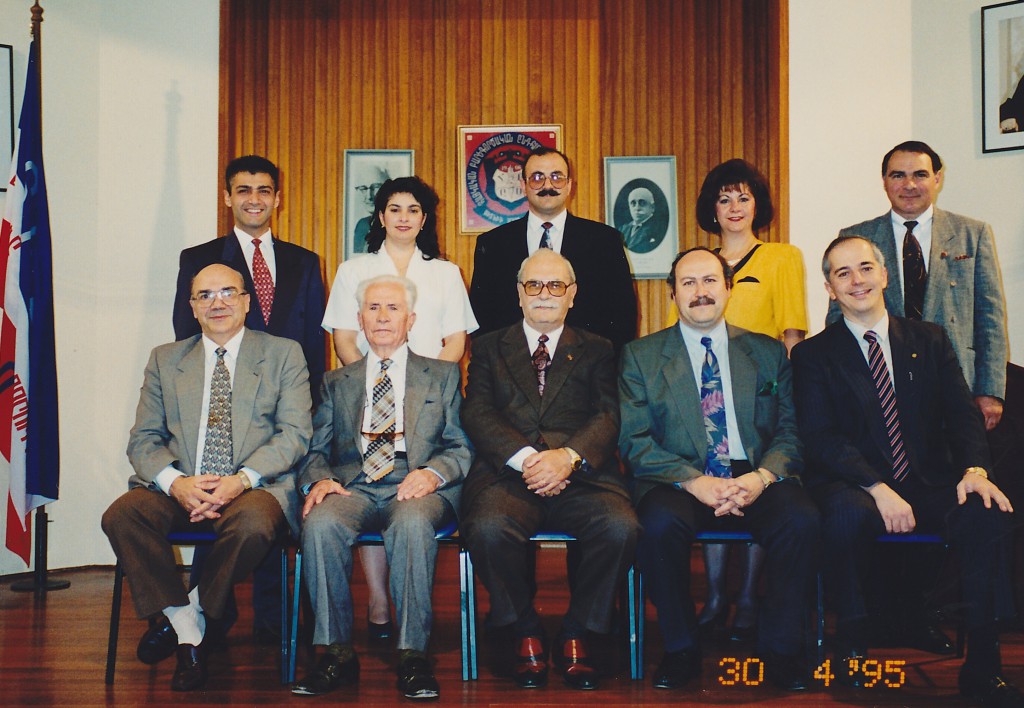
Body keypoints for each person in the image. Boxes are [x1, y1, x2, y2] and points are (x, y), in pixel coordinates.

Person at [792, 236, 1022, 706]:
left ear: (884, 275)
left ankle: (983, 666)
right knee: (845, 517)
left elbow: (962, 416)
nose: (857, 280)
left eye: (864, 268)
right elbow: (820, 438)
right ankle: (852, 648)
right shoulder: (814, 355)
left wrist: (976, 470)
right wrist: (876, 487)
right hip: (852, 481)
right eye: (842, 273)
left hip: (928, 479)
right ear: (830, 290)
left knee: (985, 516)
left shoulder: (930, 339)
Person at [102, 264, 312, 692]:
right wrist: (175, 483)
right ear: (193, 307)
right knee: (123, 516)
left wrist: (240, 479)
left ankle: (187, 618)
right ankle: (189, 625)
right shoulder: (166, 359)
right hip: (182, 482)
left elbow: (294, 434)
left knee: (253, 525)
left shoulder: (283, 353)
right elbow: (143, 439)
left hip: (253, 485)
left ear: (247, 302)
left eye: (228, 293)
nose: (217, 303)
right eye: (205, 295)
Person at [619, 247, 819, 692]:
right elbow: (634, 442)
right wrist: (695, 481)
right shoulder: (641, 357)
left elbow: (790, 432)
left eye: (710, 280)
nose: (700, 292)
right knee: (656, 525)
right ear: (672, 294)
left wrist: (762, 477)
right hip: (678, 477)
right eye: (688, 283)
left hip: (754, 475)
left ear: (729, 288)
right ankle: (681, 647)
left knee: (801, 518)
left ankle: (783, 650)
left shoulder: (768, 353)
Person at [460, 249, 639, 691]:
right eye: (534, 286)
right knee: (485, 527)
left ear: (571, 295)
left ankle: (580, 630)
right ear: (519, 294)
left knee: (621, 528)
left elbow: (608, 415)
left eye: (555, 286)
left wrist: (567, 457)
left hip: (582, 475)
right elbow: (477, 412)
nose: (544, 295)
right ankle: (523, 628)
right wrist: (527, 460)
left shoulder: (598, 348)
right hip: (509, 475)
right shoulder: (487, 347)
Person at [290, 275, 472, 701]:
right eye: (373, 309)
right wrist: (320, 480)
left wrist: (433, 474)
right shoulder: (338, 382)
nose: (383, 317)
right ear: (359, 320)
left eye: (392, 309)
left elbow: (462, 445)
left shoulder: (442, 375)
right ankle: (335, 653)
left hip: (416, 482)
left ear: (410, 319)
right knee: (320, 524)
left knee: (410, 525)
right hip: (352, 485)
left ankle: (413, 656)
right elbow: (313, 449)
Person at [171, 154, 326, 643]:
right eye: (243, 190)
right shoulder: (198, 258)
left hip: (283, 412)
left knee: (271, 514)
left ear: (277, 198)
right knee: (216, 502)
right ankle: (210, 619)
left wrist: (307, 413)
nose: (254, 199)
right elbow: (184, 338)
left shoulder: (304, 261)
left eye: (263, 190)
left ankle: (274, 621)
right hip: (219, 412)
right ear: (228, 197)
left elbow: (313, 345)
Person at [322, 175, 477, 639]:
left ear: (424, 219)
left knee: (407, 498)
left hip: (430, 399)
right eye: (394, 209)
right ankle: (377, 596)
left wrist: (425, 385)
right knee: (367, 476)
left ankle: (405, 618)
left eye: (413, 210)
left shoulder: (445, 273)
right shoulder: (354, 269)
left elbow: (457, 339)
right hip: (368, 392)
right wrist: (373, 379)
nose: (403, 217)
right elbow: (344, 336)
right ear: (381, 216)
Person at [668, 158, 809, 643]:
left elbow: (791, 334)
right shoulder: (700, 262)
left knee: (753, 484)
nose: (733, 207)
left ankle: (748, 595)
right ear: (711, 206)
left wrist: (781, 393)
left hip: (760, 395)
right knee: (713, 479)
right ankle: (714, 595)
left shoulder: (782, 257)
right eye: (724, 198)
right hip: (707, 396)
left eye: (743, 197)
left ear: (758, 205)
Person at [835, 140, 1007, 433]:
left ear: (937, 178)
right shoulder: (856, 237)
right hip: (879, 382)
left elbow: (989, 316)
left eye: (920, 175)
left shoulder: (972, 234)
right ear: (885, 182)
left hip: (954, 382)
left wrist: (990, 390)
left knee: (956, 471)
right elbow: (838, 316)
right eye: (898, 175)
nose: (909, 184)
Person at [469, 146, 637, 354]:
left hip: (586, 370)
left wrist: (605, 370)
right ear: (523, 185)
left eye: (556, 177)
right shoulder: (493, 244)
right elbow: (481, 317)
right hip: (510, 370)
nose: (547, 185)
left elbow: (623, 315)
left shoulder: (604, 241)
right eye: (537, 177)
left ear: (569, 186)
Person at [350, 164, 390, 253]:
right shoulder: (362, 225)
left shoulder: (396, 225)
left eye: (375, 187)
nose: (369, 196)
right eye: (363, 188)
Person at [617, 186, 663, 253]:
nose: (637, 208)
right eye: (633, 203)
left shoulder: (659, 229)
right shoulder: (623, 229)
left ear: (652, 207)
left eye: (642, 203)